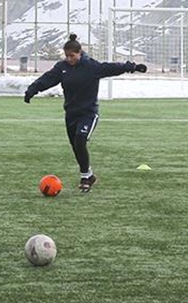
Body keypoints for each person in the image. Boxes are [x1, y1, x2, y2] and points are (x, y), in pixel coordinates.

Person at [23, 34, 148, 192]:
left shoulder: (90, 66)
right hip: (71, 114)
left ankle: (84, 178)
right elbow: (47, 79)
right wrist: (32, 90)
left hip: (88, 113)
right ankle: (89, 175)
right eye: (66, 56)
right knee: (76, 146)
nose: (69, 59)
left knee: (80, 139)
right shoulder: (62, 68)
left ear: (79, 53)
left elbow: (111, 68)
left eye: (72, 56)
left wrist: (133, 67)